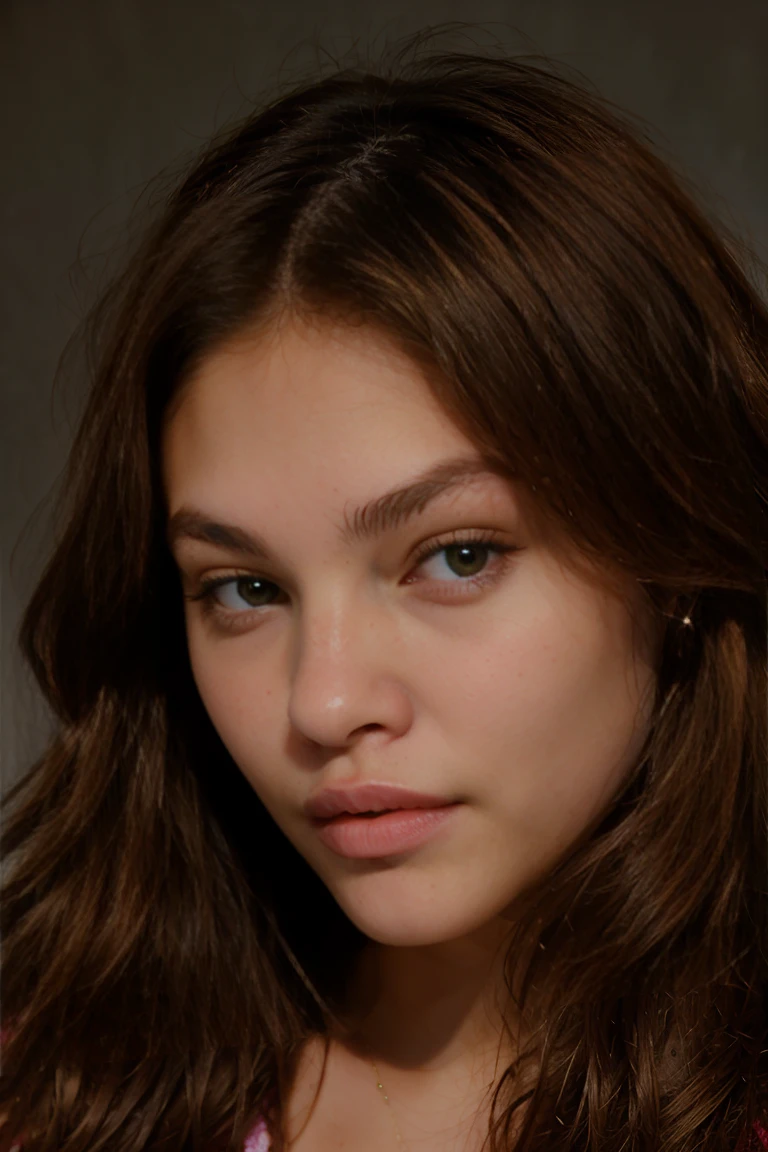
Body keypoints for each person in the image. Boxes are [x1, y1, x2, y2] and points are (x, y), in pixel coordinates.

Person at [2, 34, 767, 1152]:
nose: (321, 702)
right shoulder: (51, 1090)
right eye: (245, 588)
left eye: (456, 556)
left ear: (675, 556)